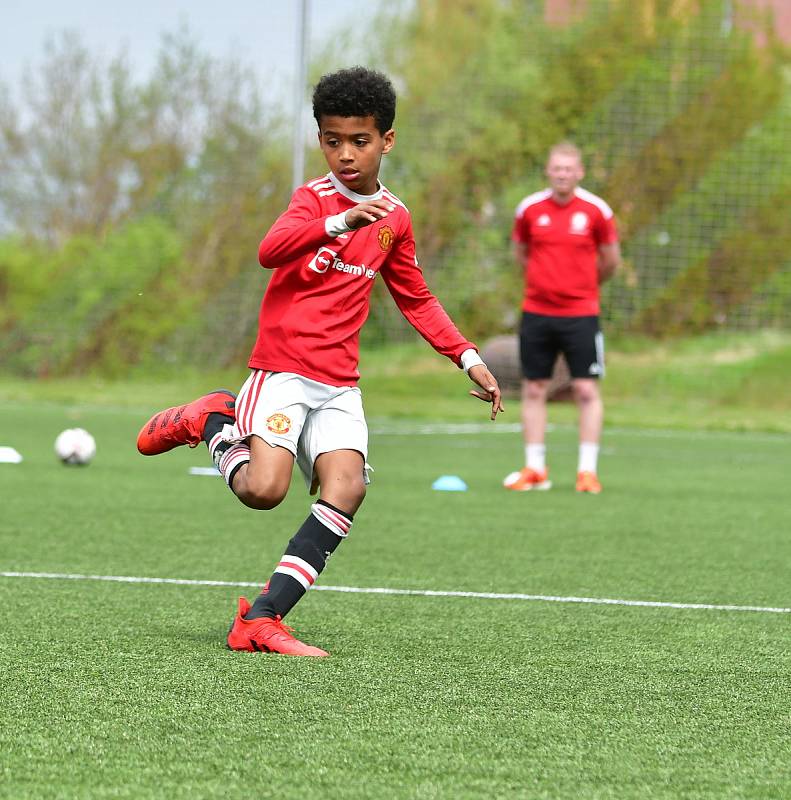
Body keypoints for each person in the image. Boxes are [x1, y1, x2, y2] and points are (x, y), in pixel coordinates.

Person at [136, 67, 503, 657]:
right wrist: (333, 223)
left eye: (359, 140)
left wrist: (467, 357)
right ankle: (211, 419)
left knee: (348, 487)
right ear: (321, 141)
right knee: (264, 490)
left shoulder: (395, 218)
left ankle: (260, 619)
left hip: (339, 383)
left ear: (388, 140)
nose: (346, 154)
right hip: (282, 370)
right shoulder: (314, 199)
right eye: (333, 141)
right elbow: (268, 250)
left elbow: (416, 296)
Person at [503, 142, 620, 495]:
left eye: (569, 169)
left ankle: (587, 472)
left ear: (579, 172)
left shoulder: (597, 211)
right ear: (548, 171)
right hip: (537, 312)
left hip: (581, 315)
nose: (562, 174)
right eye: (557, 168)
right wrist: (545, 285)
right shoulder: (529, 209)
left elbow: (611, 260)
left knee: (585, 389)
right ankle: (535, 468)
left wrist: (582, 287)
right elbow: (520, 253)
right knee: (535, 387)